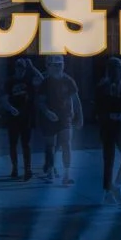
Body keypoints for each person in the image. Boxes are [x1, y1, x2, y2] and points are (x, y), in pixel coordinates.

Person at [37, 57, 82, 186]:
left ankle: (66, 175)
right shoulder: (45, 83)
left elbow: (76, 99)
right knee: (51, 146)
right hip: (49, 118)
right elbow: (40, 102)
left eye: (60, 65)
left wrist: (80, 117)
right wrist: (47, 112)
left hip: (65, 117)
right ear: (49, 67)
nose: (58, 68)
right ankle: (50, 171)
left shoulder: (68, 81)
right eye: (55, 65)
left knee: (66, 144)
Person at [94, 56, 121, 202]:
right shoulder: (102, 87)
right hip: (108, 128)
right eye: (119, 68)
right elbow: (98, 110)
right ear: (113, 70)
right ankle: (107, 192)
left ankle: (117, 185)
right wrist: (111, 115)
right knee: (109, 160)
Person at [1, 56, 39, 182]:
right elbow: (4, 99)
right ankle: (15, 168)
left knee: (26, 144)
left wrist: (33, 68)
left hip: (26, 116)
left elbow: (43, 80)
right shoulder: (9, 82)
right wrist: (10, 108)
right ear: (15, 68)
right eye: (18, 68)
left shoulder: (29, 81)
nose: (20, 71)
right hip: (13, 117)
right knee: (13, 144)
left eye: (23, 68)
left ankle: (28, 169)